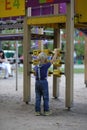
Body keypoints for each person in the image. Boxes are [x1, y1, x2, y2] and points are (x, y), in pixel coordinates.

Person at [33, 49, 58, 116]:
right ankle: (46, 111)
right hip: (44, 82)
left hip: (37, 82)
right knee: (45, 97)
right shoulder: (46, 66)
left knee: (38, 97)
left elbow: (34, 74)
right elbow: (53, 60)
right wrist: (55, 53)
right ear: (45, 59)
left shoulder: (36, 66)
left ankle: (37, 111)